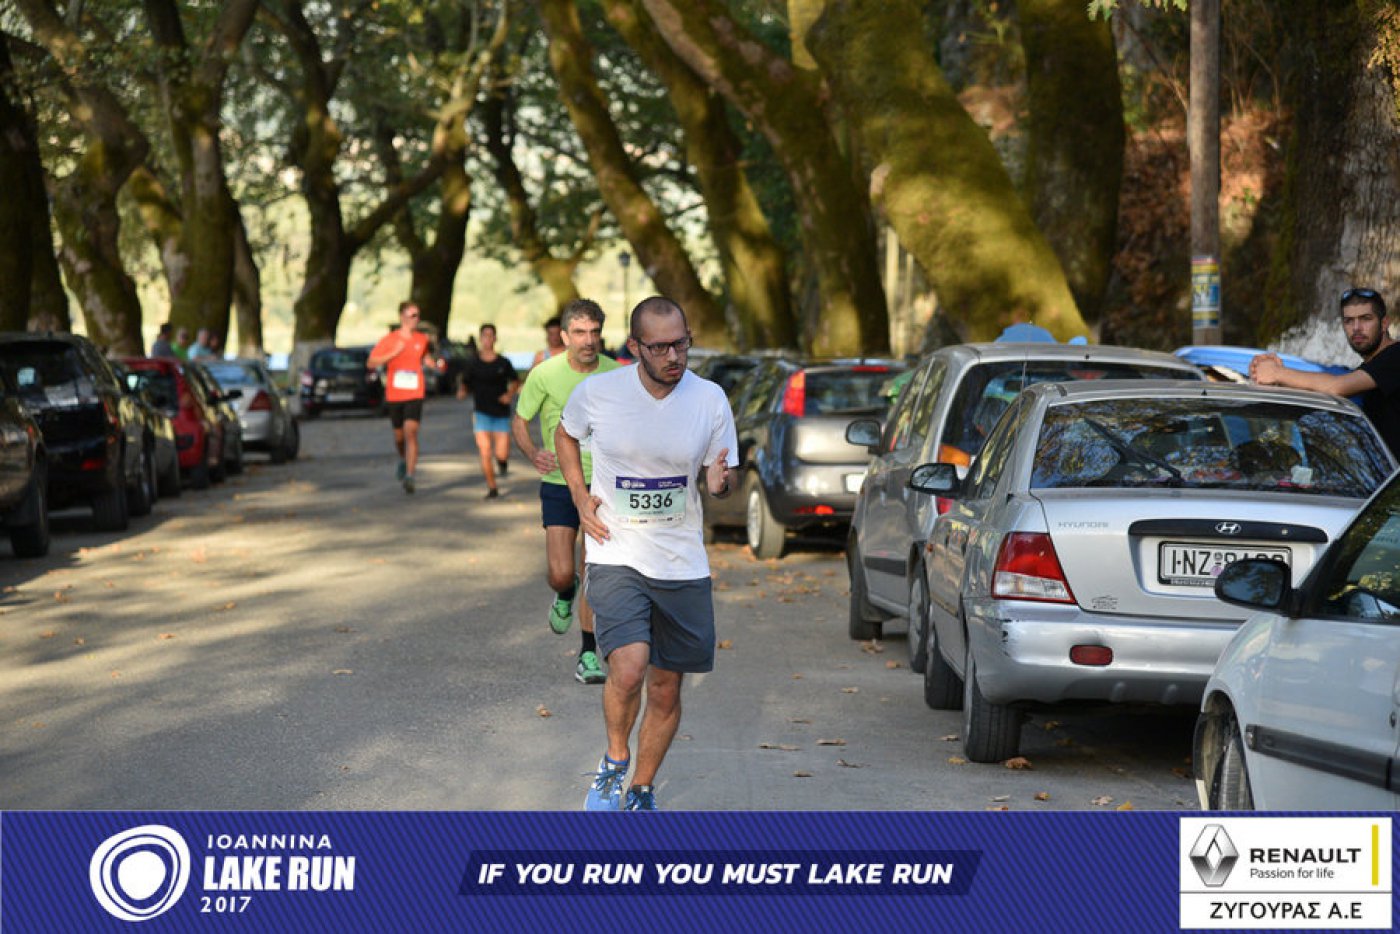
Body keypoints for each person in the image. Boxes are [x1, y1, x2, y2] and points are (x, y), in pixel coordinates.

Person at [556, 295, 737, 812]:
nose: (673, 356)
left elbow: (722, 473)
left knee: (665, 688)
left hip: (681, 561)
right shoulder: (599, 393)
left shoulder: (709, 399)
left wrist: (721, 483)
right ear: (635, 347)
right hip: (616, 551)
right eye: (660, 347)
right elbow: (565, 435)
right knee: (630, 668)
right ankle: (614, 761)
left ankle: (641, 787)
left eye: (681, 344)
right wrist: (578, 496)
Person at [512, 300, 620, 685]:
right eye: (579, 332)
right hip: (559, 483)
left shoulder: (616, 373)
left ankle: (588, 653)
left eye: (594, 332)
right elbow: (520, 420)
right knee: (561, 573)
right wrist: (533, 453)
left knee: (592, 570)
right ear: (564, 336)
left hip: (601, 487)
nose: (588, 340)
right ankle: (564, 591)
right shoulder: (544, 374)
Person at [1251, 287, 1400, 457]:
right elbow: (1324, 389)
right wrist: (1273, 376)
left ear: (1384, 323)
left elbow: (1336, 386)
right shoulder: (1369, 371)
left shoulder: (1395, 356)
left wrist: (1277, 373)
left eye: (1365, 319)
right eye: (1349, 321)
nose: (1356, 328)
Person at [368, 302, 445, 493]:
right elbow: (371, 362)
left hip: (415, 393)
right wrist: (393, 353)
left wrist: (436, 365)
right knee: (399, 437)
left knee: (411, 432)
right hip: (395, 395)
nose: (416, 319)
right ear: (402, 317)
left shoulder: (421, 339)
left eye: (418, 315)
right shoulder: (389, 339)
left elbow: (426, 359)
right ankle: (403, 458)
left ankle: (410, 475)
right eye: (412, 316)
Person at [459, 323, 519, 499]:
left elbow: (515, 381)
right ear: (480, 339)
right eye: (484, 336)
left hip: (500, 412)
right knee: (485, 451)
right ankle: (492, 487)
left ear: (495, 338)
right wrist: (462, 391)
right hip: (481, 412)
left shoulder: (503, 362)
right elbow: (465, 382)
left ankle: (502, 462)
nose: (487, 339)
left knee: (501, 453)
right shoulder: (473, 363)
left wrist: (509, 394)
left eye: (490, 335)